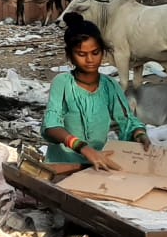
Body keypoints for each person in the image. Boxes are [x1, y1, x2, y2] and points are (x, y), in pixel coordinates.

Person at [42, 19, 150, 171]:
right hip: (63, 164)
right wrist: (83, 148)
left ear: (102, 51)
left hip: (97, 164)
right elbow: (51, 126)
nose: (90, 60)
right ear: (70, 55)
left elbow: (126, 120)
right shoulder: (62, 83)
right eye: (81, 54)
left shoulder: (109, 85)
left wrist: (139, 133)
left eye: (95, 53)